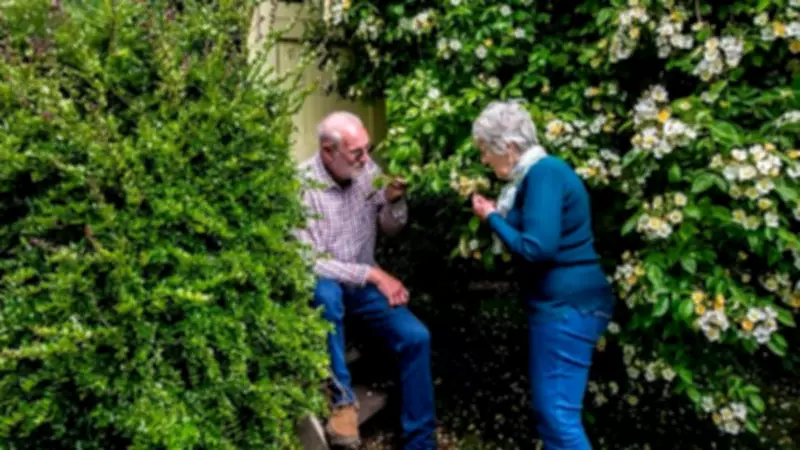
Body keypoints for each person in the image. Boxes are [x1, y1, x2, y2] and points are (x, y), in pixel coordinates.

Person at [469, 100, 614, 450]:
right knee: (553, 416)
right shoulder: (536, 176)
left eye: (485, 150)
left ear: (509, 147)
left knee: (558, 418)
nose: (484, 160)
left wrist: (492, 217)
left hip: (566, 307)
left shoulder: (544, 174)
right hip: (563, 305)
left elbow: (537, 248)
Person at [294, 111, 437, 450]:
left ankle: (421, 442)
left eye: (367, 149)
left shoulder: (366, 172)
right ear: (328, 151)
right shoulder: (302, 185)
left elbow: (391, 228)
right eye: (356, 152)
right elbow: (308, 261)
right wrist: (372, 274)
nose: (366, 159)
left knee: (416, 337)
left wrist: (393, 201)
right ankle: (342, 401)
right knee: (325, 294)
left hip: (362, 287)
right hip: (327, 286)